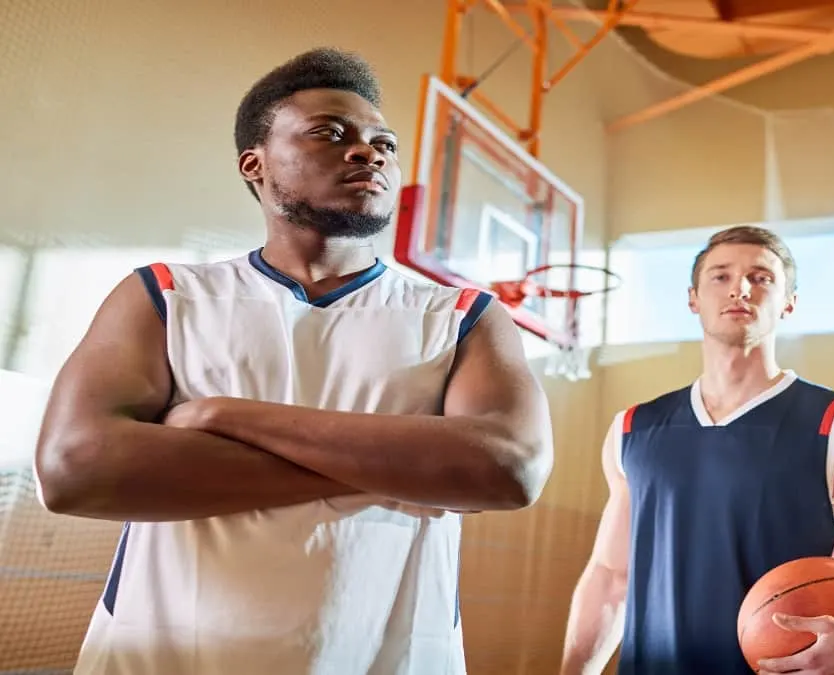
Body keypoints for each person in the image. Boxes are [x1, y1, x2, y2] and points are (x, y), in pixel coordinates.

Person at [34, 47, 554, 675]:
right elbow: (74, 471)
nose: (369, 152)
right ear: (254, 164)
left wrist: (225, 415)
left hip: (388, 656)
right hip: (165, 653)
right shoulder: (165, 292)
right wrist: (418, 467)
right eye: (330, 134)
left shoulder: (463, 313)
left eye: (382, 142)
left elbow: (509, 471)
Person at [557, 225, 834, 675]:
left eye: (761, 278)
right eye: (720, 276)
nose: (740, 288)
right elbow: (610, 578)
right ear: (692, 299)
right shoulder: (633, 429)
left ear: (789, 303)